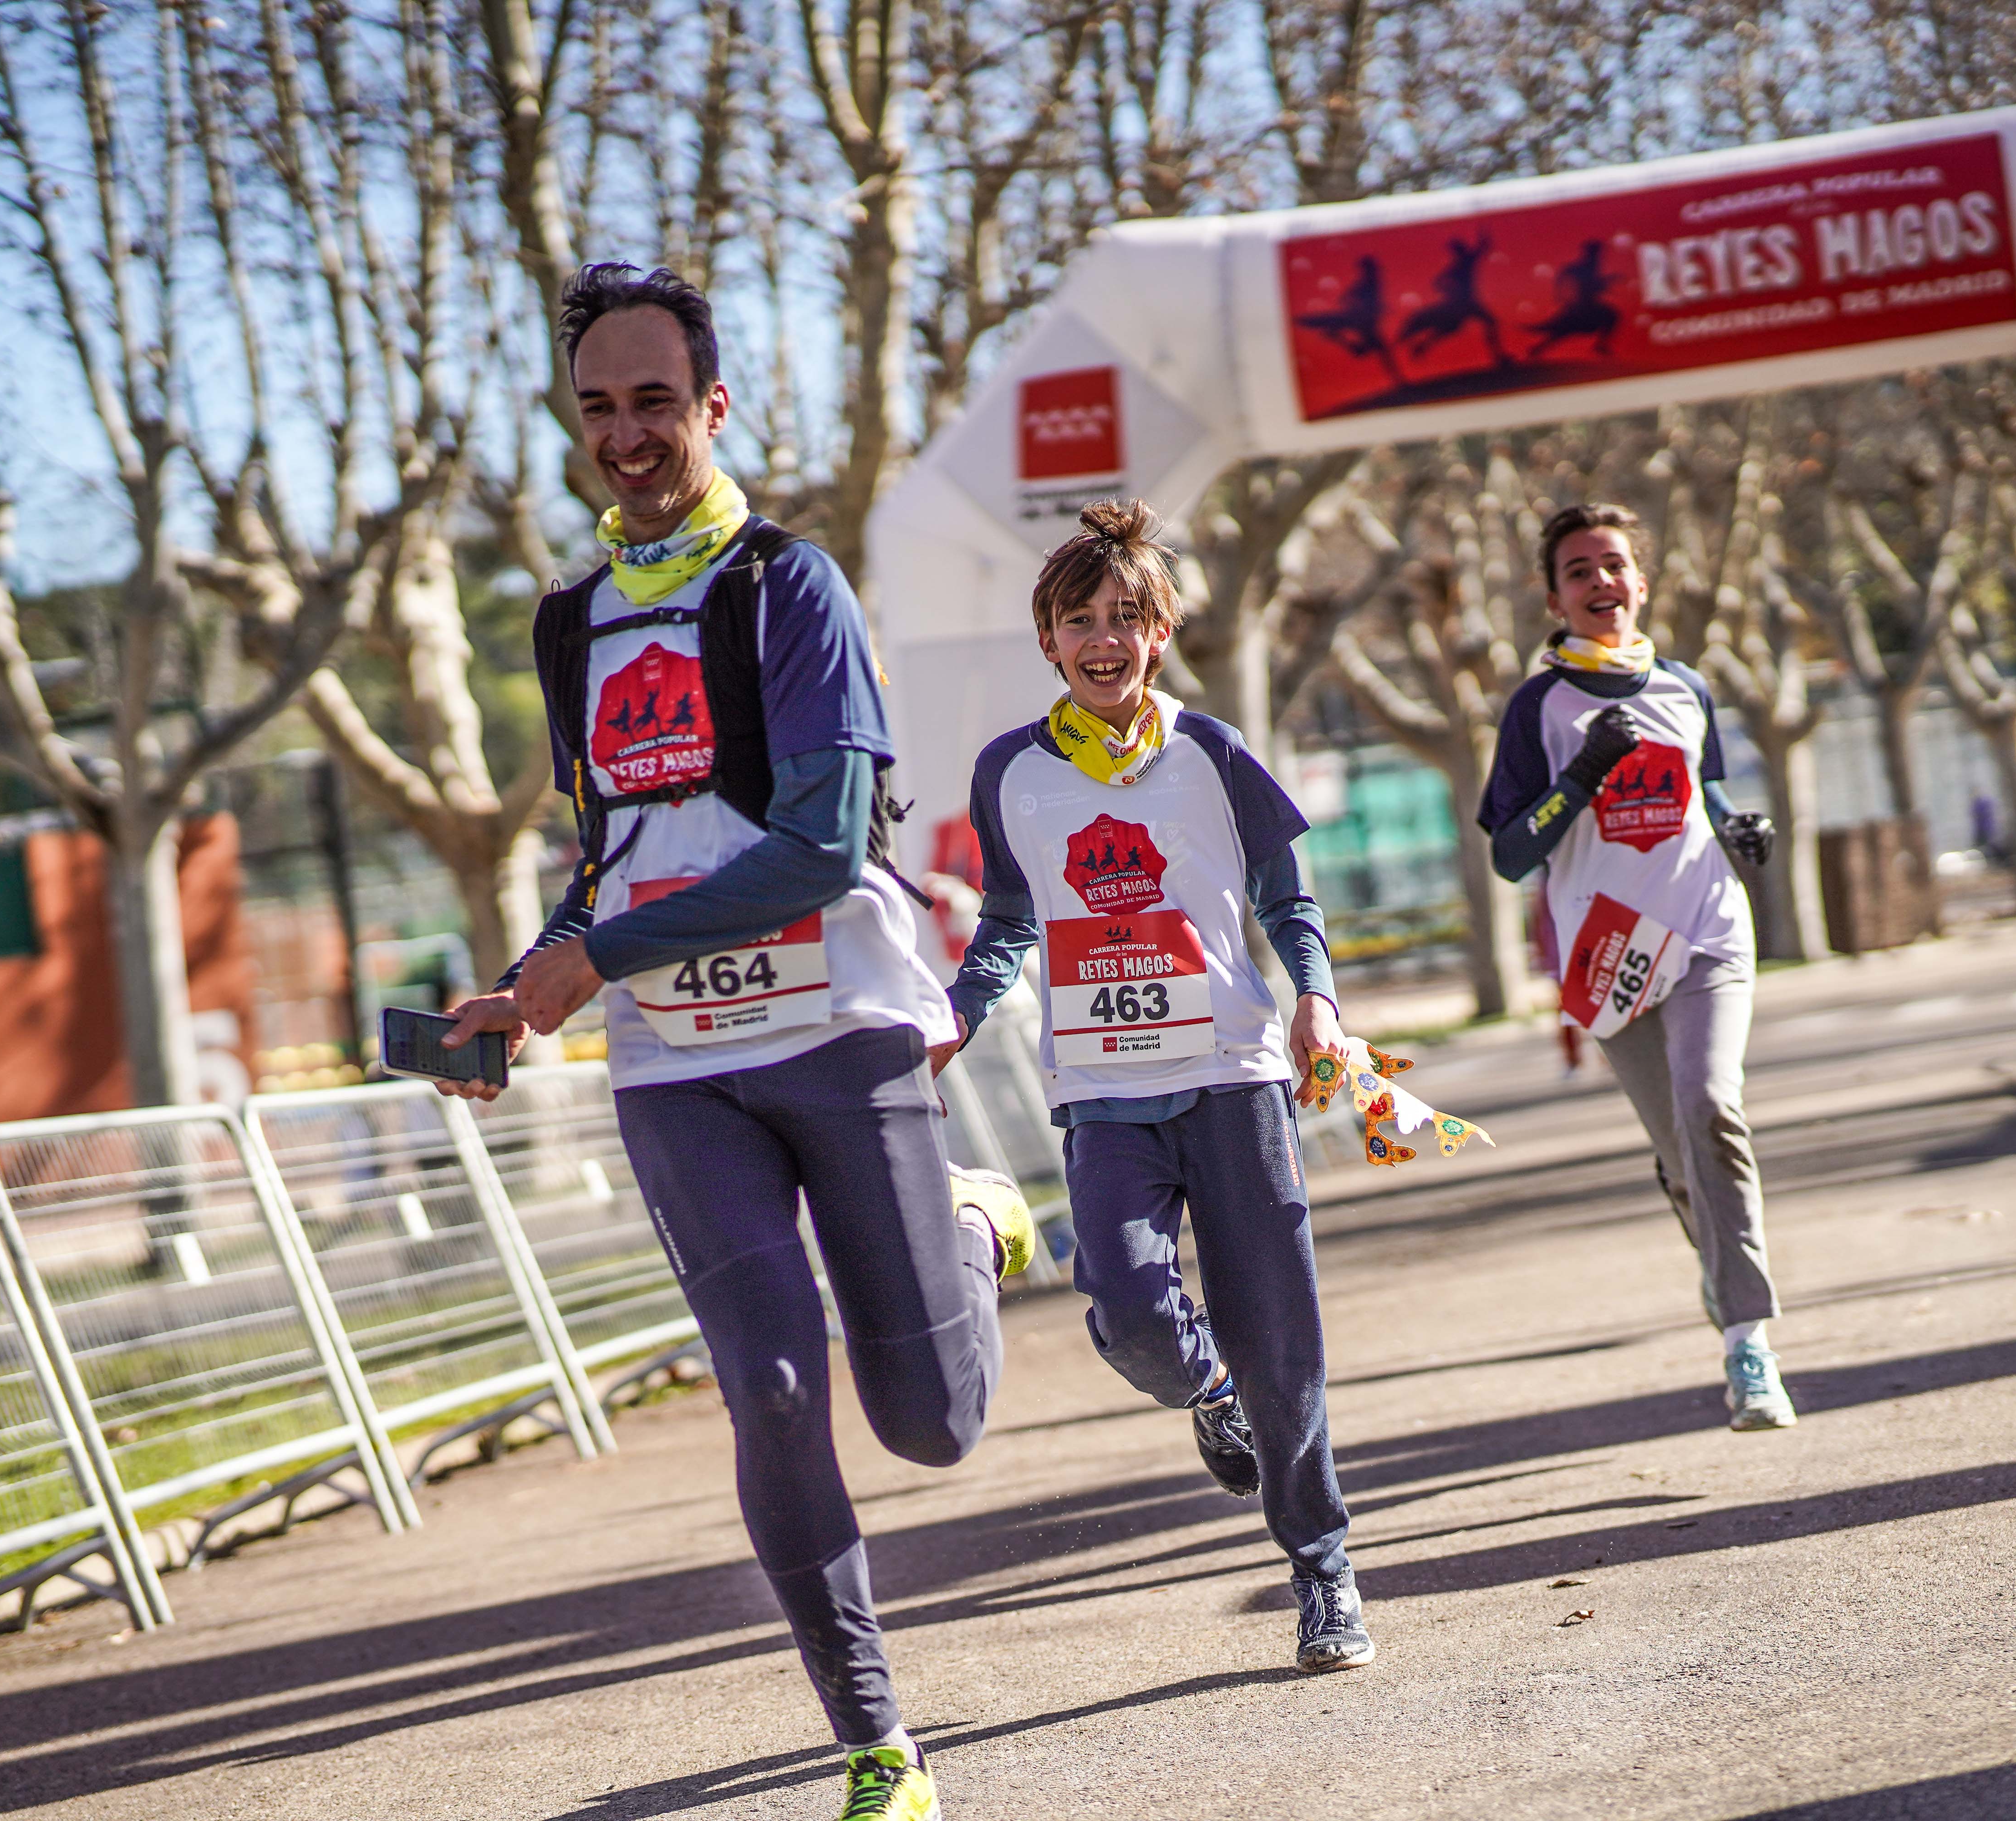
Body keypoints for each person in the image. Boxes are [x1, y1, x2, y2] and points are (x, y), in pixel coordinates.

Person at [437, 262, 1031, 1821]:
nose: (625, 435)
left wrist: (592, 956)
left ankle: (973, 1223)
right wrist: (520, 988)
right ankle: (876, 1743)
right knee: (770, 1386)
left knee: (932, 1428)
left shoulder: (787, 587)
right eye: (597, 408)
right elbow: (613, 857)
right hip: (676, 1064)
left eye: (654, 402)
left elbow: (826, 847)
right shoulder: (570, 622)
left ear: (710, 407)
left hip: (840, 1036)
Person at [936, 499, 1373, 1675]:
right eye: (1081, 618)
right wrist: (955, 1018)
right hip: (1105, 1094)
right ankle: (1206, 1384)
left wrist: (1317, 997)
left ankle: (1322, 1572)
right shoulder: (1011, 774)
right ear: (1049, 639)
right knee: (1124, 1302)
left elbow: (1289, 903)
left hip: (1235, 1081)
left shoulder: (1214, 755)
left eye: (1127, 616)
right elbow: (1007, 927)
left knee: (1287, 1348)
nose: (1105, 638)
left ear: (1162, 632)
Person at [1474, 503, 1797, 1432]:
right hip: (1610, 958)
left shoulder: (1687, 686)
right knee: (1683, 1154)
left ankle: (1748, 1343)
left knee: (1711, 1107)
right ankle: (1724, 1278)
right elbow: (1507, 854)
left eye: (1614, 564)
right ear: (1555, 596)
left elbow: (1711, 791)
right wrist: (1579, 780)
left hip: (1704, 931)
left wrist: (1742, 826)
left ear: (1641, 582)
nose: (1600, 581)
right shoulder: (1542, 707)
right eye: (1579, 570)